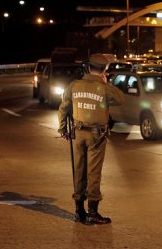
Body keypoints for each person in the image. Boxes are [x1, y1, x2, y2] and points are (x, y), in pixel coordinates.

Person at [57, 54, 125, 225]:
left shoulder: (74, 85)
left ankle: (79, 210)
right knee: (93, 173)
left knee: (79, 170)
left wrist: (62, 129)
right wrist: (104, 82)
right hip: (97, 136)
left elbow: (63, 108)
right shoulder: (103, 88)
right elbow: (120, 99)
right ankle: (92, 212)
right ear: (104, 70)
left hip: (78, 133)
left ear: (88, 67)